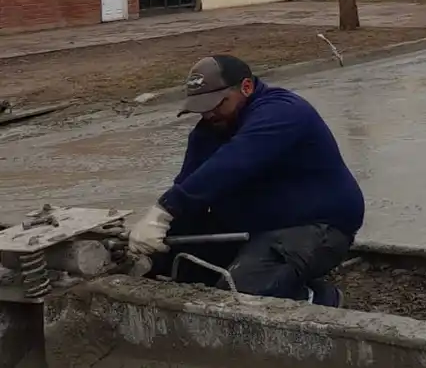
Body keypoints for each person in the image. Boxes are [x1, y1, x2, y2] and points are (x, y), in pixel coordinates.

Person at [128, 55, 364, 307]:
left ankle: (318, 298)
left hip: (316, 226)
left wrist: (164, 210)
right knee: (172, 259)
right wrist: (154, 231)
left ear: (246, 87)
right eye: (202, 107)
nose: (209, 113)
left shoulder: (282, 111)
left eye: (217, 103)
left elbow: (234, 162)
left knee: (241, 294)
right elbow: (192, 185)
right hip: (254, 227)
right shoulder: (209, 130)